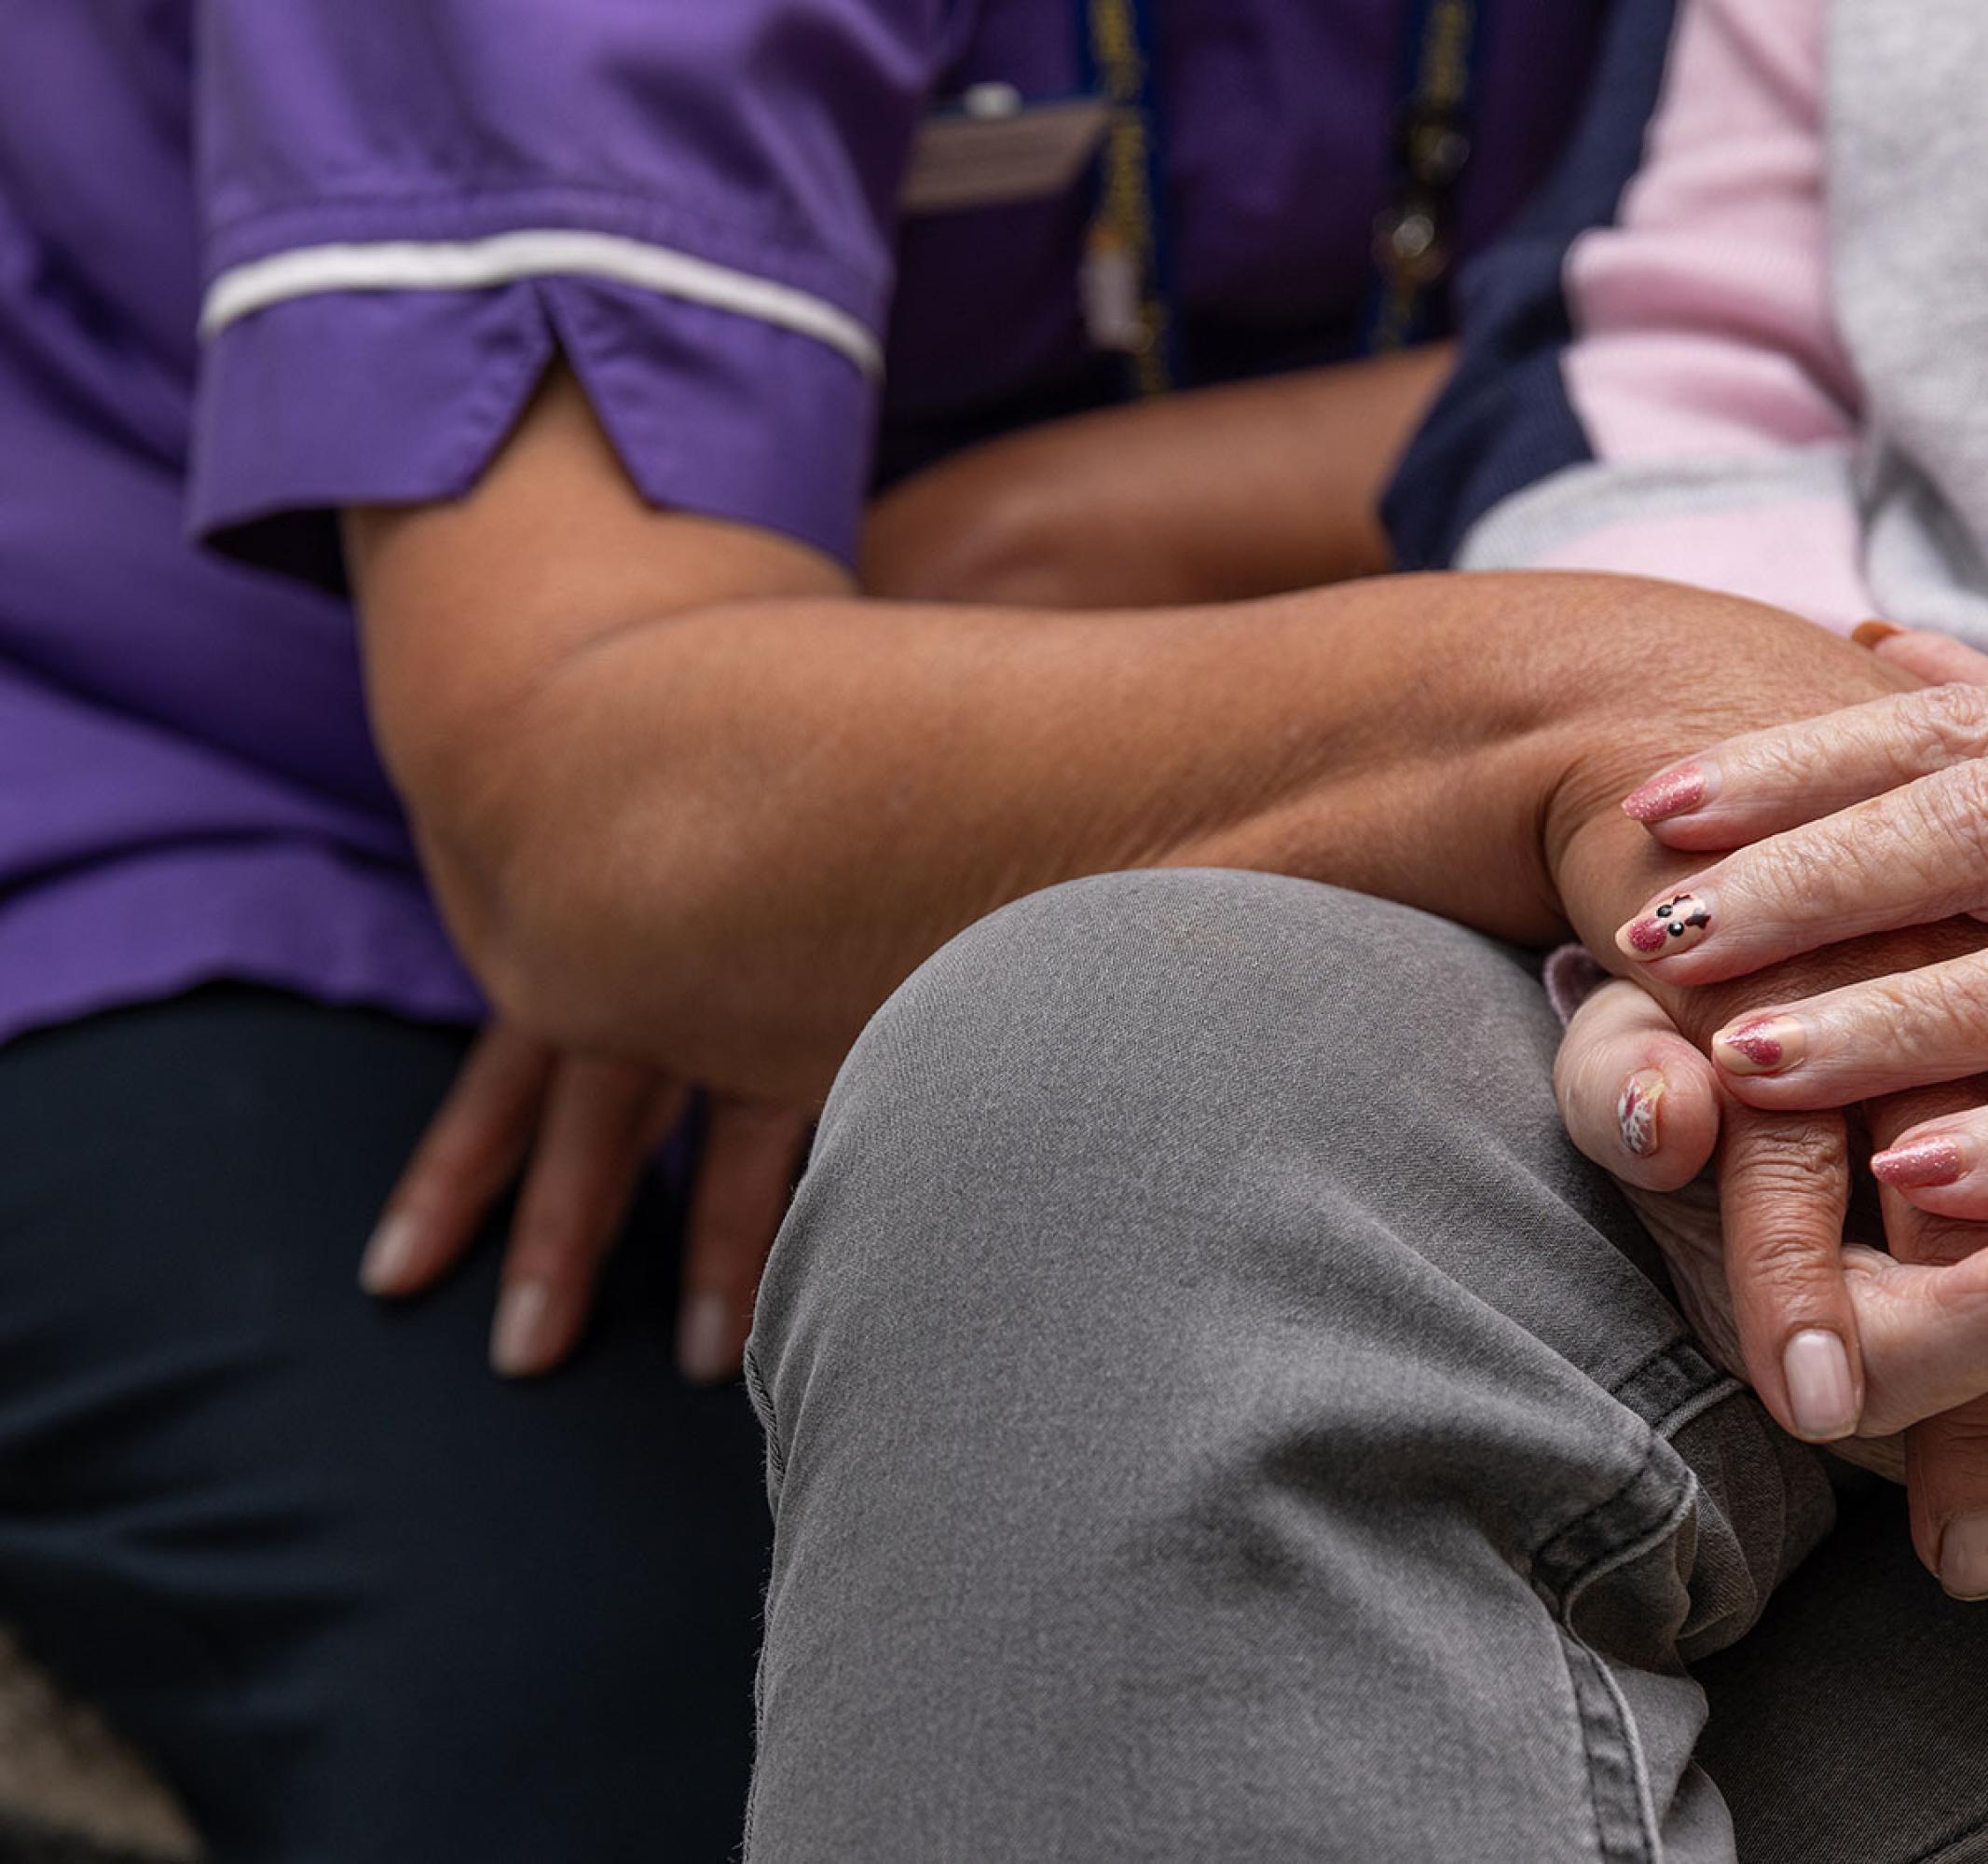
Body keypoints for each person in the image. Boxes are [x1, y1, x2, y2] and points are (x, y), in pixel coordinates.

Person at [0, 2, 1612, 1857]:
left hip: (1133, 776)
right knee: (649, 1705)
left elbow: (1807, 316)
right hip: (214, 785)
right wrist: (778, 810)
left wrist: (1002, 635)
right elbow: (615, 804)